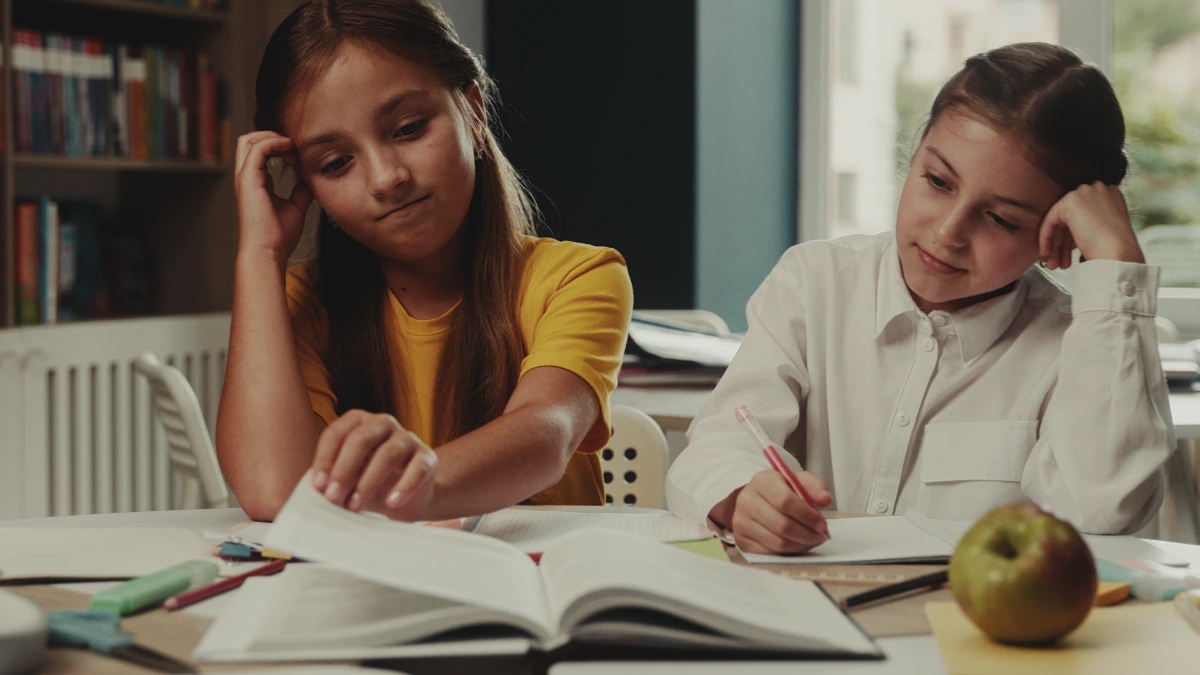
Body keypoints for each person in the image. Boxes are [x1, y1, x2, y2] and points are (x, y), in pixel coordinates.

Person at [666, 42, 1174, 554]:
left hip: (974, 625)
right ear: (914, 156)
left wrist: (1116, 263)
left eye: (1001, 219)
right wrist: (742, 496)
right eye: (937, 181)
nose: (949, 232)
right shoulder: (814, 282)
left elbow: (1104, 513)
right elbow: (716, 446)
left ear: (1055, 237)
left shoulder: (1077, 343)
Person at [216, 0, 632, 522]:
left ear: (474, 113)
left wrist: (421, 481)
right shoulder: (302, 305)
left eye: (409, 128)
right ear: (309, 186)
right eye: (336, 163)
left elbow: (547, 430)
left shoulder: (577, 278)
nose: (387, 177)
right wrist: (259, 253)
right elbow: (271, 489)